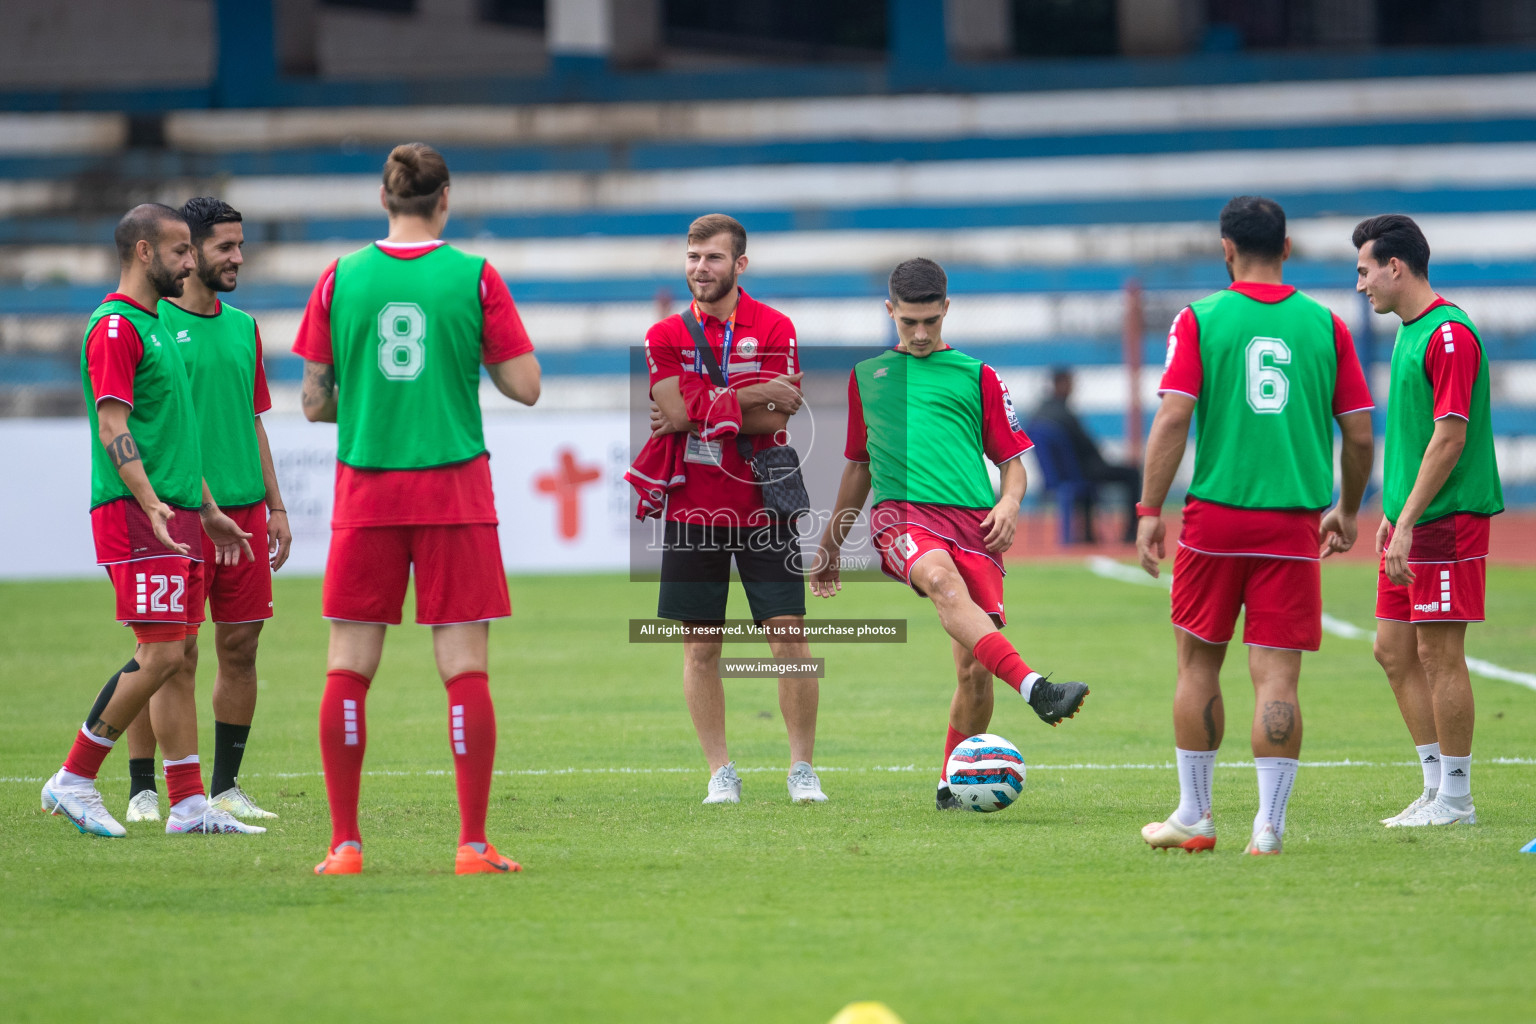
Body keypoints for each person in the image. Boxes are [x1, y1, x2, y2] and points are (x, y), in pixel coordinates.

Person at [294, 143, 541, 875]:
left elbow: (312, 403)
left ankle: (344, 845)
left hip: (366, 489)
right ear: (445, 199)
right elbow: (525, 386)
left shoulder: (341, 276)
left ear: (383, 198)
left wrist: (375, 403)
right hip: (454, 491)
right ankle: (471, 845)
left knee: (349, 664)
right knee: (464, 667)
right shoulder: (473, 276)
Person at [1136, 196, 1375, 855]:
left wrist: (1149, 510)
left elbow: (1173, 420)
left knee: (1197, 664)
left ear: (1225, 249)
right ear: (1288, 248)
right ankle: (1267, 827)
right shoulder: (1327, 326)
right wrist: (1349, 510)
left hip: (1215, 519)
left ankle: (1196, 814)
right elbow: (1359, 435)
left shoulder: (1201, 318)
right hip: (1293, 524)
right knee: (1278, 677)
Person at [810, 258, 1090, 812]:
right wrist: (830, 546)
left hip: (974, 526)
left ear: (945, 311)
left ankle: (950, 789)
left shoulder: (977, 375)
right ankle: (1037, 688)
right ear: (890, 311)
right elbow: (859, 468)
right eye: (908, 322)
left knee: (973, 672)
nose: (918, 334)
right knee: (939, 580)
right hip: (903, 515)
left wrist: (1010, 502)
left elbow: (1013, 462)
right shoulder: (867, 377)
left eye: (929, 323)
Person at [40, 203, 261, 838]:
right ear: (144, 252)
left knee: (180, 650)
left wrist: (209, 509)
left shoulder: (154, 323)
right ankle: (75, 777)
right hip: (144, 516)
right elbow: (114, 426)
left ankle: (189, 804)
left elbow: (174, 433)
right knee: (162, 651)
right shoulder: (115, 328)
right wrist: (152, 502)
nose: (191, 263)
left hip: (180, 513)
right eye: (180, 252)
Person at [642, 213, 824, 805]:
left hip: (762, 504)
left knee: (790, 640)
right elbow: (671, 412)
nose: (701, 267)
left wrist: (706, 404)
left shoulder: (775, 326)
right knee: (701, 647)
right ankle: (721, 771)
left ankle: (802, 769)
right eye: (693, 256)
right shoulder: (664, 335)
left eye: (713, 257)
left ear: (739, 264)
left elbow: (778, 416)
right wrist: (750, 392)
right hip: (693, 507)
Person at [121, 197, 291, 825]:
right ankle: (145, 788)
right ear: (186, 251)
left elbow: (253, 422)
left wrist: (275, 505)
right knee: (166, 649)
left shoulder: (245, 327)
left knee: (240, 649)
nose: (237, 257)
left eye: (239, 245)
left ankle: (223, 789)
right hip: (178, 513)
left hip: (244, 514)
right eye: (225, 246)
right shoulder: (152, 325)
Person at [1353, 214, 1503, 828]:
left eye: (1365, 271)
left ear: (1396, 266)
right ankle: (1435, 787)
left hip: (1445, 521)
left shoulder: (1447, 335)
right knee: (1392, 650)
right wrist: (1392, 515)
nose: (1361, 285)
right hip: (1410, 520)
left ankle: (1458, 800)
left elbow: (1449, 438)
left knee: (1440, 656)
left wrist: (1409, 517)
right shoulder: (1408, 333)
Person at [1030, 367, 1141, 542]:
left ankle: (1089, 535)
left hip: (1055, 476)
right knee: (1133, 474)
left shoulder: (1038, 414)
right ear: (1060, 384)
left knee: (1087, 472)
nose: (1073, 388)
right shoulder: (1064, 414)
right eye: (1070, 383)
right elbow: (1087, 446)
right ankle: (1131, 533)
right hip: (1078, 473)